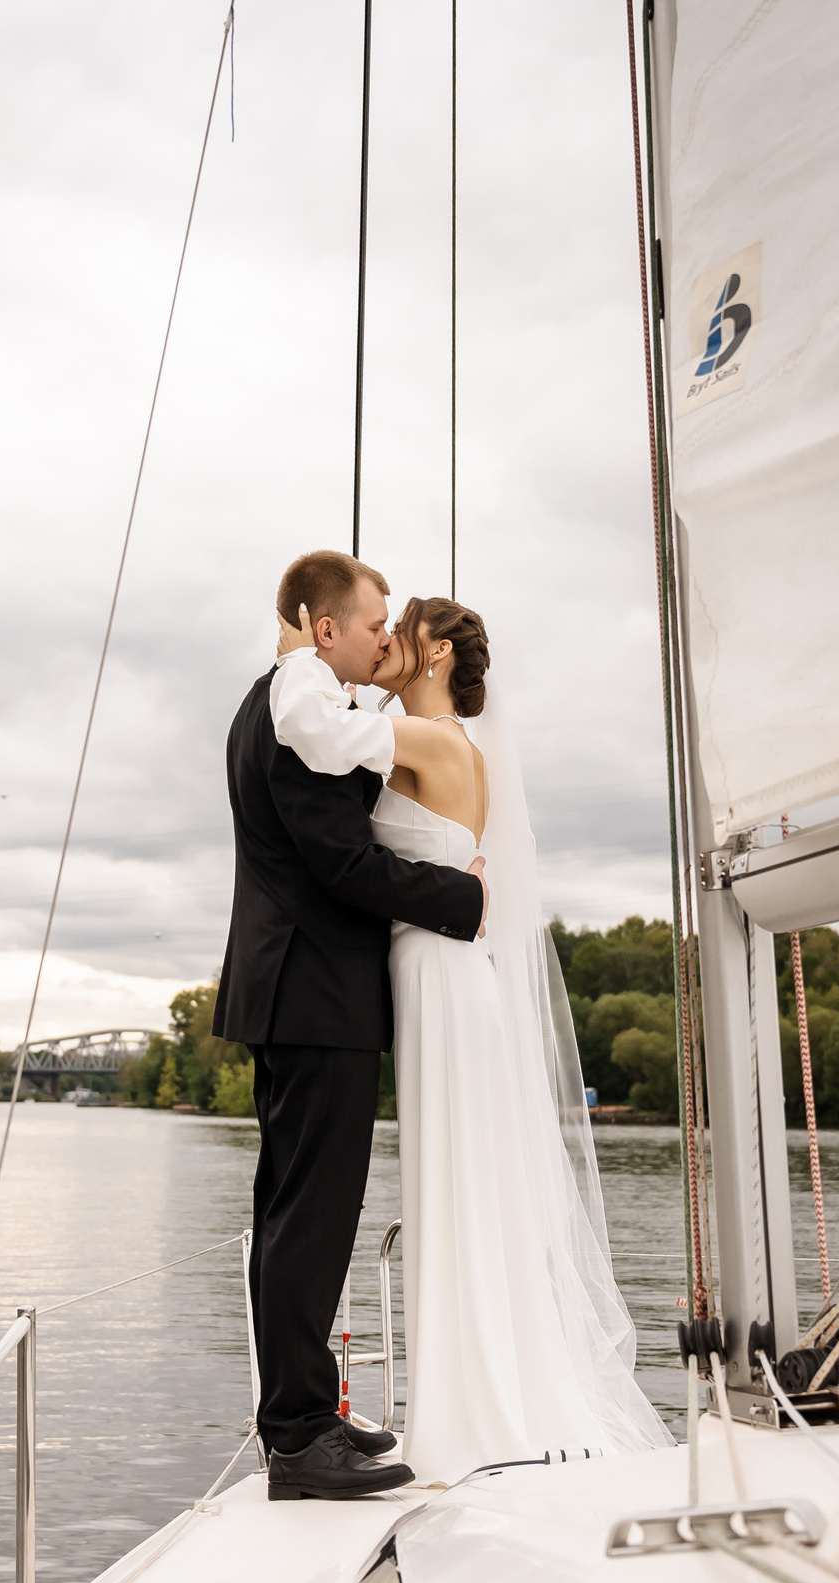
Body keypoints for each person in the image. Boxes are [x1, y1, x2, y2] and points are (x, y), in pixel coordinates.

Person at [269, 590, 671, 1482]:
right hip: (441, 973)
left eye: (402, 630)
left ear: (440, 652)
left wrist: (302, 647)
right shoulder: (449, 743)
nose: (388, 642)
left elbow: (314, 730)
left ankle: (473, 1412)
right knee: (462, 1185)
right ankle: (472, 1397)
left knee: (455, 1183)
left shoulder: (435, 740)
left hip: (439, 979)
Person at [215, 549, 488, 1501]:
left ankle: (310, 1411)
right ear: (324, 627)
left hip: (298, 992)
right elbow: (343, 868)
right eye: (373, 621)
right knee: (310, 1219)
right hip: (314, 994)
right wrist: (460, 899)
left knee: (299, 1214)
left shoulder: (284, 707)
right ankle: (296, 1437)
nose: (384, 635)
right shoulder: (300, 722)